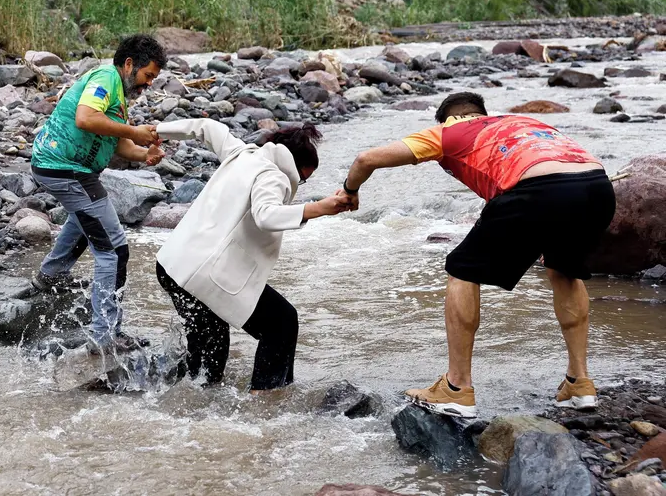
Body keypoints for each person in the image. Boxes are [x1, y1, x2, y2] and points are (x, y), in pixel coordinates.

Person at [340, 92, 615, 419]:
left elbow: (366, 159)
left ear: (447, 119)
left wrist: (350, 190)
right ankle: (579, 384)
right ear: (482, 113)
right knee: (564, 270)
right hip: (597, 187)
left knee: (462, 270)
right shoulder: (523, 121)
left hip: (538, 188)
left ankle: (456, 389)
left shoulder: (447, 132)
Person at [154, 122, 350, 392]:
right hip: (204, 276)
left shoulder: (242, 152)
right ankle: (264, 402)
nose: (300, 183)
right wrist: (318, 208)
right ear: (295, 166)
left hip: (172, 266)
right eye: (303, 178)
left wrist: (155, 130)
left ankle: (171, 397)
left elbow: (206, 127)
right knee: (281, 323)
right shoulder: (275, 177)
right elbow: (266, 215)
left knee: (208, 351)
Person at [31, 34, 166, 351]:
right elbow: (86, 118)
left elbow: (120, 145)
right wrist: (134, 131)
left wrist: (144, 154)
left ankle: (51, 274)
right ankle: (104, 336)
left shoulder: (118, 92)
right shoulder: (106, 78)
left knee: (85, 218)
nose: (149, 84)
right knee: (114, 250)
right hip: (65, 168)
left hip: (67, 169)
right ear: (129, 64)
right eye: (148, 76)